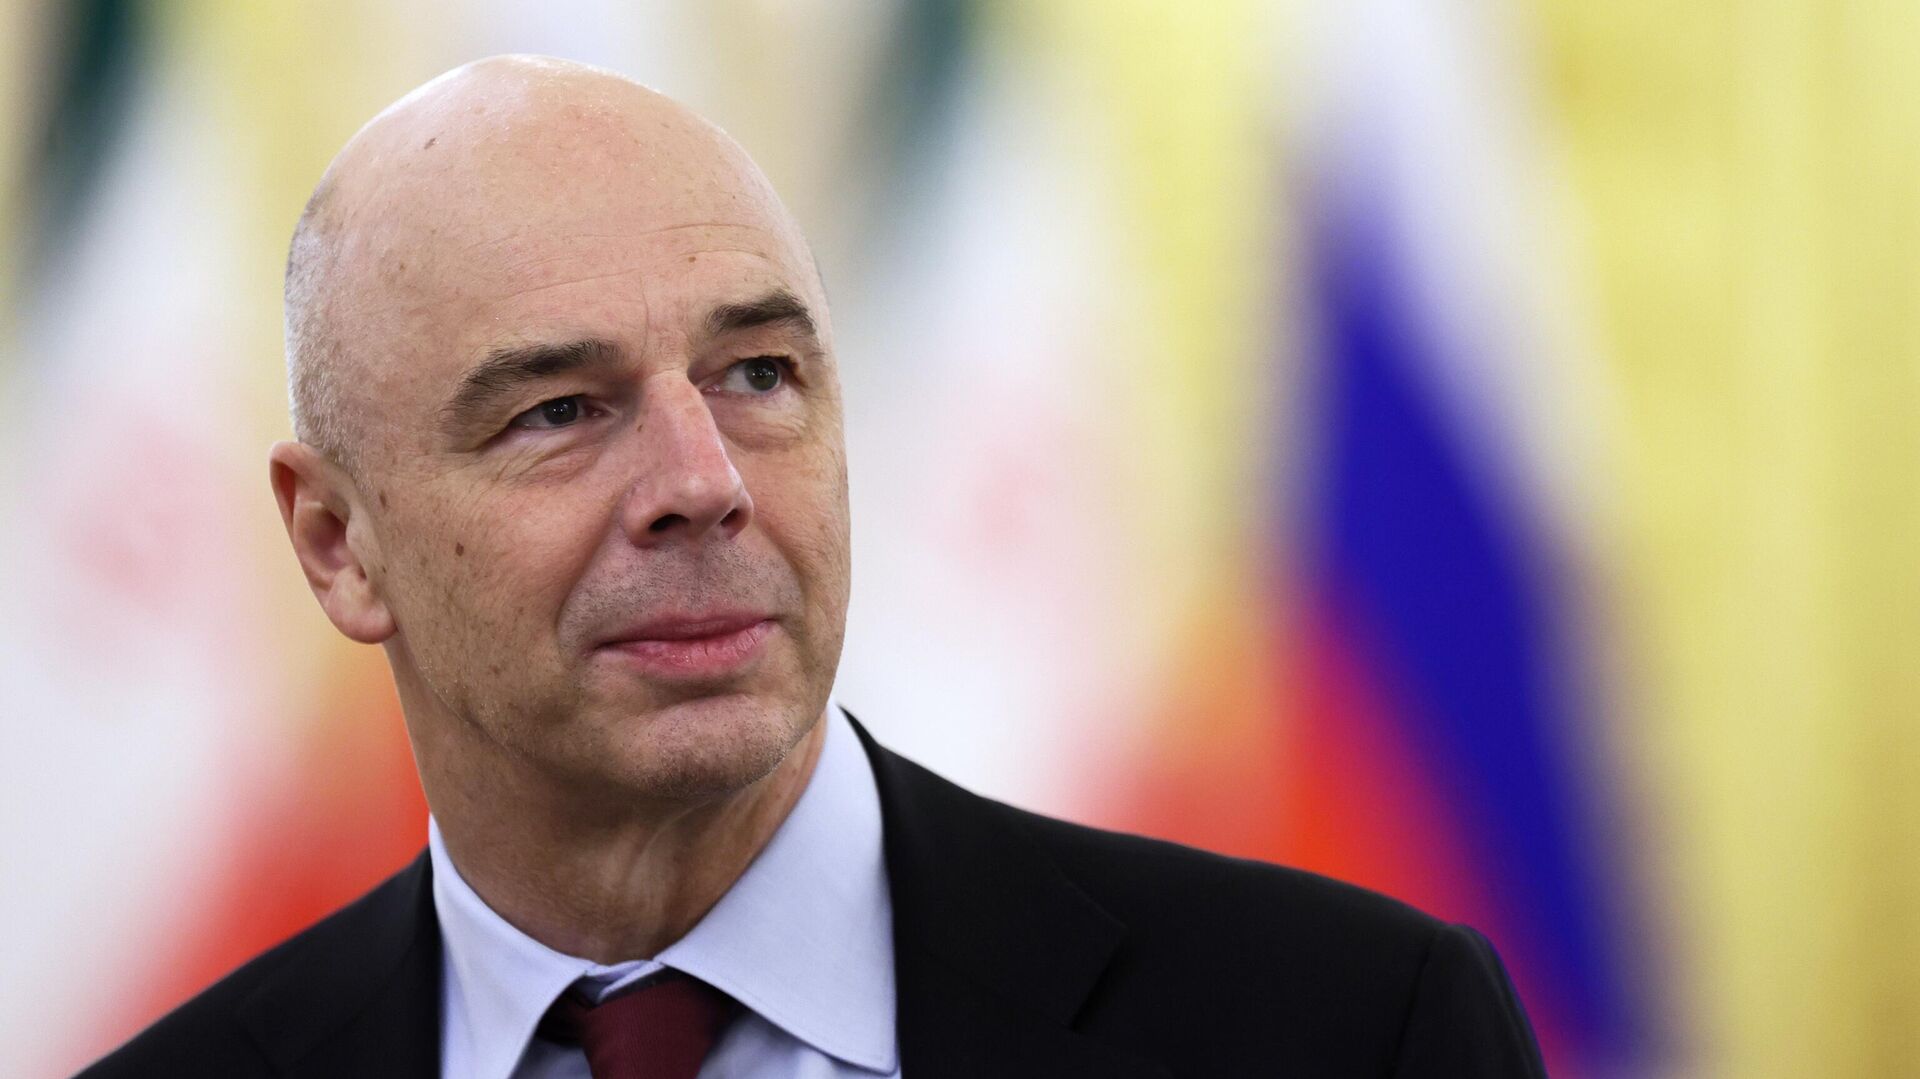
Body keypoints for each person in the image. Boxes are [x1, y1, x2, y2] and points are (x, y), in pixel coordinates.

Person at [79, 55, 1547, 1079]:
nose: (703, 484)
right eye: (562, 411)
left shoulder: (1350, 1029)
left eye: (760, 376)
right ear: (338, 545)